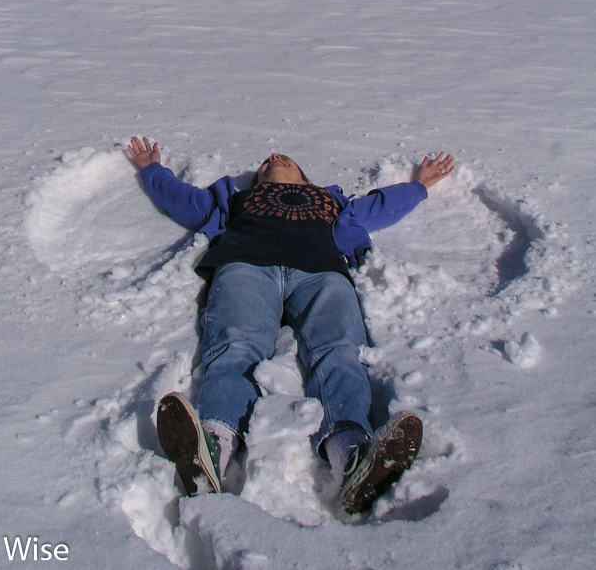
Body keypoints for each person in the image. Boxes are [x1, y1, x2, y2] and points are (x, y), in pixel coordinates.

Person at [128, 136, 454, 514]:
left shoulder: (332, 202)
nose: (273, 158)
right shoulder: (234, 201)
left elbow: (379, 207)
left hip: (322, 274)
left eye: (283, 157)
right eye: (266, 162)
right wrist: (152, 170)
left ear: (305, 178)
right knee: (237, 344)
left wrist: (419, 186)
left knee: (338, 349)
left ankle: (352, 454)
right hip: (246, 267)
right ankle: (211, 447)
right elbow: (183, 200)